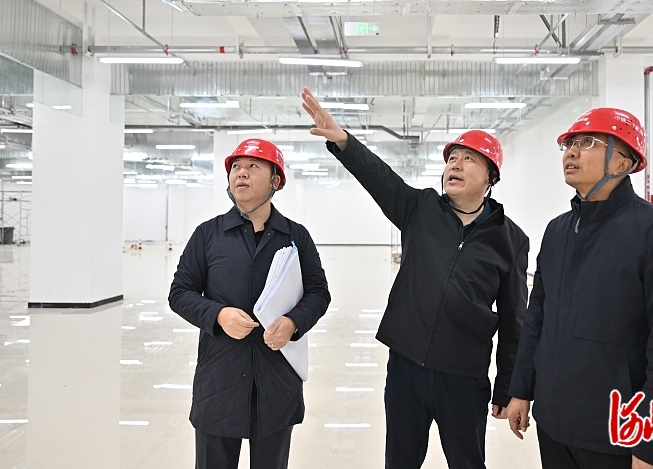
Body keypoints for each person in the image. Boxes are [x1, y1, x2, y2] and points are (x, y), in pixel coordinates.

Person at [301, 87, 529, 469]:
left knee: (468, 463)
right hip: (406, 369)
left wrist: (509, 386)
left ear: (491, 175)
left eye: (468, 159)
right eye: (451, 158)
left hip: (464, 377)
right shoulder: (420, 208)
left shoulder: (511, 239)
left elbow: (514, 320)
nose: (455, 165)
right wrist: (343, 141)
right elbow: (379, 178)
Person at [505, 108, 653, 469]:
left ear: (623, 162)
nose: (571, 152)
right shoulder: (557, 231)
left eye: (587, 142)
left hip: (616, 432)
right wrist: (521, 389)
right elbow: (536, 319)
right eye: (569, 144)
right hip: (552, 423)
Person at [169, 138, 330, 469]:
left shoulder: (295, 236)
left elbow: (318, 292)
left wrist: (294, 322)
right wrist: (218, 314)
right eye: (236, 167)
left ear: (275, 181)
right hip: (220, 377)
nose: (241, 173)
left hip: (276, 378)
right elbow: (180, 292)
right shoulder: (208, 235)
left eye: (253, 166)